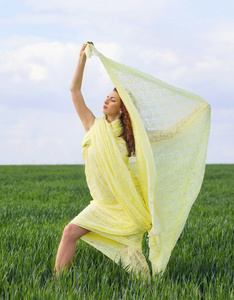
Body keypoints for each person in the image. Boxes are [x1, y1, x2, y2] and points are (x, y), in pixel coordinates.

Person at [54, 42, 151, 278]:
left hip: (124, 205)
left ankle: (149, 289)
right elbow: (74, 91)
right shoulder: (92, 125)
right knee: (69, 232)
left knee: (132, 257)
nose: (106, 101)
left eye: (113, 100)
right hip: (101, 204)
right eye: (107, 97)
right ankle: (57, 284)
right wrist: (82, 60)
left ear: (123, 110)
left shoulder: (130, 138)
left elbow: (160, 141)